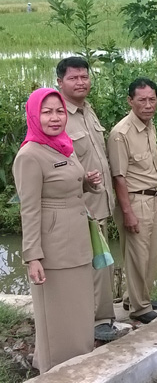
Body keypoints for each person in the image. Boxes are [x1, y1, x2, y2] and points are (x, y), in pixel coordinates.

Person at [13, 88, 103, 372]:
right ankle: (54, 371)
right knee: (57, 317)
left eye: (59, 111)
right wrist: (33, 257)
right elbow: (28, 210)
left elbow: (66, 182)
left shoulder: (62, 145)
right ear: (34, 115)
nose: (54, 118)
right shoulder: (30, 155)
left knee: (78, 312)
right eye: (46, 111)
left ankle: (79, 365)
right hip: (53, 251)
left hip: (76, 243)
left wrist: (86, 181)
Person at [57, 57, 119, 341]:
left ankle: (103, 318)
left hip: (100, 205)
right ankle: (95, 323)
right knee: (90, 268)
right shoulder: (57, 116)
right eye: (74, 78)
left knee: (102, 265)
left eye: (84, 77)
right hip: (80, 209)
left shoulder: (87, 110)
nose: (81, 82)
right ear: (60, 82)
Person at [107, 78, 157, 324]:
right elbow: (118, 177)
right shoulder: (121, 134)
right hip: (134, 201)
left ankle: (137, 297)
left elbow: (153, 165)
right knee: (137, 255)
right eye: (142, 100)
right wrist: (128, 212)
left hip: (152, 197)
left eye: (152, 99)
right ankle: (139, 309)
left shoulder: (149, 125)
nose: (148, 104)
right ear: (130, 101)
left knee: (151, 254)